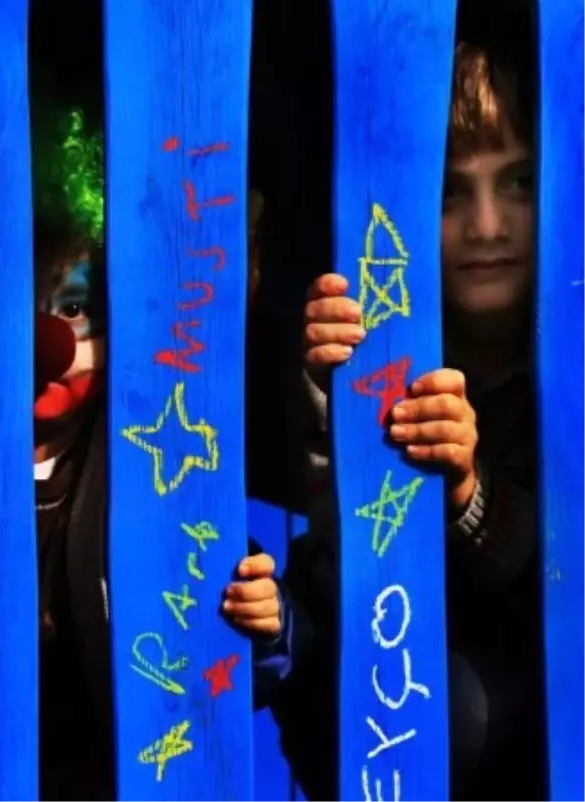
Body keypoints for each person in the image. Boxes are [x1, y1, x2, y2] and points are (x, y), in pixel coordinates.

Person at [0, 99, 294, 800]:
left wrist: (264, 624)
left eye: (74, 308)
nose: (50, 346)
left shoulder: (152, 469)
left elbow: (244, 650)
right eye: (12, 307)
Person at [278, 9, 543, 800]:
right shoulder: (379, 346)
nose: (487, 226)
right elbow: (332, 575)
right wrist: (339, 402)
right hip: (379, 707)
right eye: (450, 193)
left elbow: (550, 583)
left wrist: (468, 494)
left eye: (519, 183)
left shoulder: (563, 370)